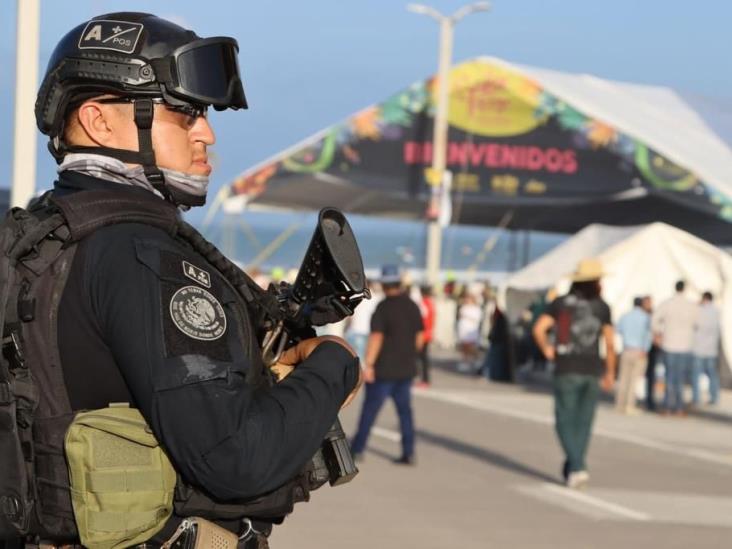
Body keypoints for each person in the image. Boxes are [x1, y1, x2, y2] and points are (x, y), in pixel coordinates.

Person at [16, 12, 362, 547]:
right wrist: (334, 364)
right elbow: (237, 458)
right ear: (99, 121)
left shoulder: (36, 243)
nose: (207, 133)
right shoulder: (146, 258)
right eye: (183, 112)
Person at [533, 259, 616, 489]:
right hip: (591, 369)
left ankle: (576, 466)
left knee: (564, 420)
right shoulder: (602, 307)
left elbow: (539, 328)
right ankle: (576, 466)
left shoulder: (560, 304)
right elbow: (609, 343)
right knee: (584, 421)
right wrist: (610, 371)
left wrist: (547, 349)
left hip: (566, 367)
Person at [351, 265, 424, 465]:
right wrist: (410, 356)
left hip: (383, 370)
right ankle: (409, 453)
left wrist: (370, 365)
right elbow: (419, 337)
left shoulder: (383, 308)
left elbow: (376, 338)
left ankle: (357, 449)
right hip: (406, 369)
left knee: (370, 411)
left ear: (383, 285)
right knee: (405, 413)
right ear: (399, 283)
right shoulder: (412, 306)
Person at [653, 281, 698, 416]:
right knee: (680, 379)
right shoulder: (691, 305)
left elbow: (655, 320)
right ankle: (679, 408)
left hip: (669, 344)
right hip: (685, 346)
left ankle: (667, 407)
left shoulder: (667, 303)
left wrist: (659, 333)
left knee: (669, 377)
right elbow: (697, 324)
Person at [615, 297, 652, 414]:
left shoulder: (625, 316)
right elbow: (648, 335)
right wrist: (646, 349)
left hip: (626, 349)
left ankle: (619, 404)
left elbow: (618, 329)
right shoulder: (646, 318)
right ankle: (629, 405)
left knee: (623, 379)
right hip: (639, 351)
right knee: (633, 380)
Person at [691, 291, 721, 405]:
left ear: (704, 298)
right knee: (712, 375)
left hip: (699, 348)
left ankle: (696, 398)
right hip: (711, 349)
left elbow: (696, 326)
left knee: (696, 375)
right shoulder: (716, 311)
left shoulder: (700, 310)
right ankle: (714, 397)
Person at [416, 285, 436, 387]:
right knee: (423, 358)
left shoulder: (423, 304)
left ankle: (424, 380)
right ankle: (424, 379)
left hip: (422, 335)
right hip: (428, 333)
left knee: (422, 359)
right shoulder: (430, 303)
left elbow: (420, 320)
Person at [456, 293, 482, 372]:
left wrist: (467, 317)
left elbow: (477, 319)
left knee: (471, 347)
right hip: (463, 330)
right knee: (464, 347)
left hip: (471, 331)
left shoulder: (476, 309)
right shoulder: (463, 307)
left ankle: (477, 360)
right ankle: (465, 362)